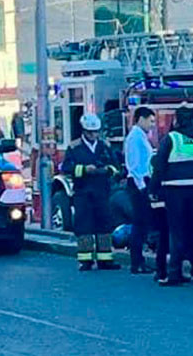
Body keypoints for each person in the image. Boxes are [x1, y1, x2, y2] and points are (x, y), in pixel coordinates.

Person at [151, 107, 193, 286]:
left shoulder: (172, 138)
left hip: (175, 191)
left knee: (177, 233)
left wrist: (153, 190)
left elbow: (159, 166)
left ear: (177, 120)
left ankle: (174, 274)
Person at [61, 114, 122, 271]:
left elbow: (115, 166)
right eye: (90, 132)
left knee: (104, 224)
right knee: (84, 225)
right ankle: (85, 260)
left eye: (96, 132)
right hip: (83, 192)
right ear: (84, 131)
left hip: (102, 191)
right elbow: (66, 168)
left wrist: (108, 170)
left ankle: (105, 259)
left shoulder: (105, 146)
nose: (93, 135)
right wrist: (84, 169)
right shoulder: (74, 147)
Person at [124, 107, 156, 275]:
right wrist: (142, 187)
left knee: (143, 223)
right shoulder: (135, 138)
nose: (152, 125)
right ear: (140, 119)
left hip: (142, 182)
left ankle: (139, 261)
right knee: (140, 223)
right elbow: (134, 165)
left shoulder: (141, 136)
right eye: (150, 121)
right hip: (138, 183)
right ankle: (136, 262)